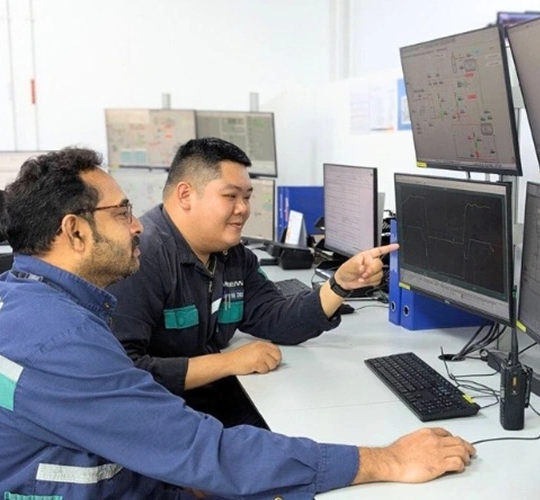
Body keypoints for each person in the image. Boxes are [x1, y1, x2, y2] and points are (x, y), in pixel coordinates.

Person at [0, 147, 475, 498]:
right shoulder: (59, 337)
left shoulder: (30, 297)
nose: (136, 225)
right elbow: (202, 451)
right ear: (75, 232)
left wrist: (335, 287)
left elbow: (271, 318)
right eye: (121, 213)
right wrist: (386, 460)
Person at [107, 137, 395, 428]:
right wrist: (230, 362)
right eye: (230, 196)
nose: (243, 209)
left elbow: (276, 318)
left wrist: (340, 285)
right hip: (159, 417)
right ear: (185, 196)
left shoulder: (232, 256)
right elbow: (123, 373)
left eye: (246, 197)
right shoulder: (139, 259)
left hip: (206, 401)